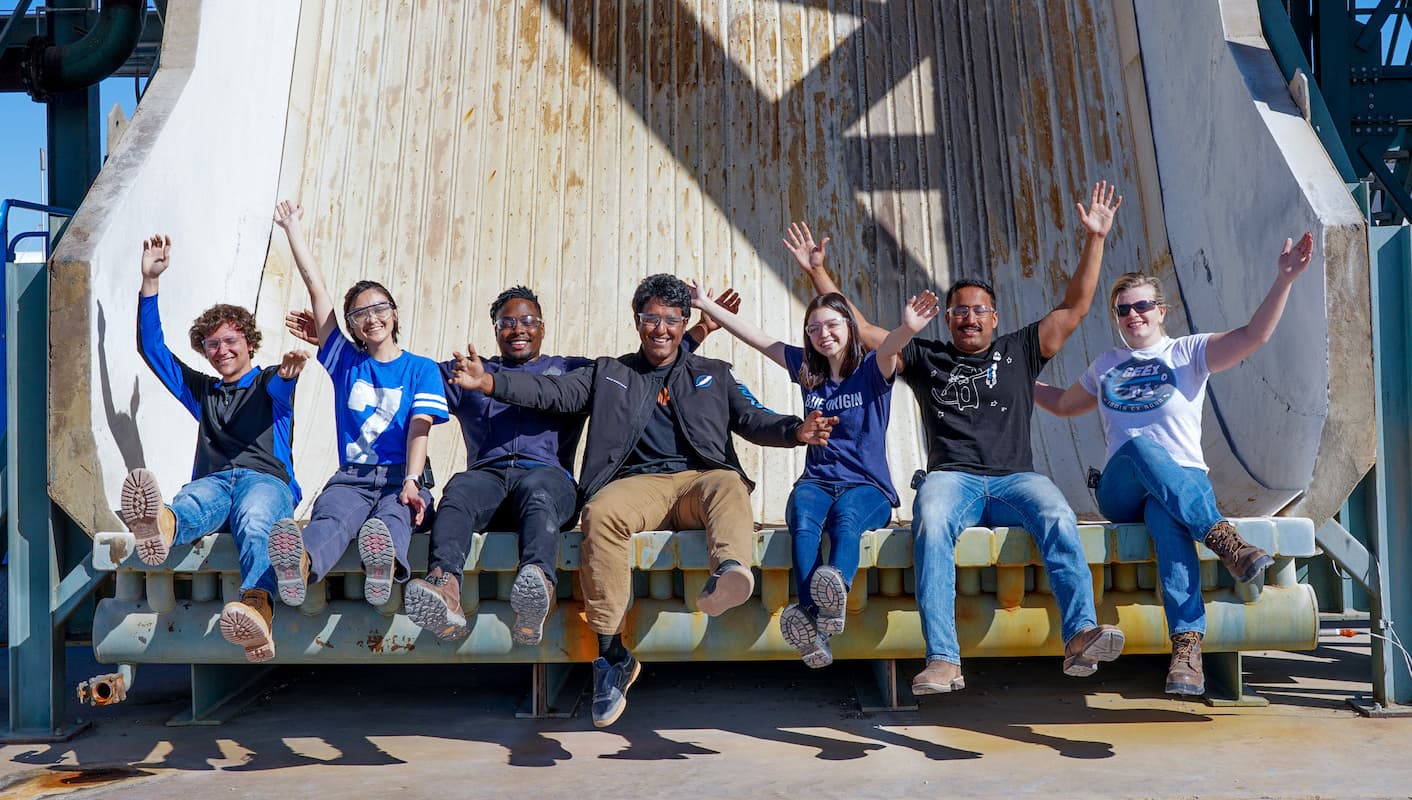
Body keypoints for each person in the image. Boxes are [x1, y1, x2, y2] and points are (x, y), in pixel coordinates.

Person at [448, 273, 837, 727]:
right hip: (638, 484)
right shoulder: (610, 373)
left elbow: (753, 417)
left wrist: (796, 431)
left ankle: (730, 574)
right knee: (601, 512)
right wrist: (492, 383)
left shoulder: (713, 374)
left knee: (729, 483)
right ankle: (612, 656)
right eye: (651, 318)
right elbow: (551, 392)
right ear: (637, 322)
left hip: (699, 480)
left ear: (684, 321)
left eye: (671, 320)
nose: (661, 329)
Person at [789, 180, 1125, 696]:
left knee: (1057, 513)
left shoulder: (1021, 350)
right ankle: (944, 659)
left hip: (1016, 479)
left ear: (995, 317)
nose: (969, 317)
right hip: (953, 478)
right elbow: (856, 328)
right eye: (959, 310)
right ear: (947, 319)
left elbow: (1075, 308)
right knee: (931, 517)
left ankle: (1080, 633)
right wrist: (816, 270)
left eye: (978, 310)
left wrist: (1096, 238)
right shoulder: (927, 358)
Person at [285, 286, 740, 642]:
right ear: (495, 330)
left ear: (543, 327)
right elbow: (398, 375)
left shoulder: (573, 370)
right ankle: (444, 587)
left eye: (528, 320)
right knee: (458, 492)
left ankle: (535, 586)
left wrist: (694, 332)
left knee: (541, 495)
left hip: (547, 480)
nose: (518, 328)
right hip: (487, 478)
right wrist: (348, 348)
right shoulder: (465, 371)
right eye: (507, 322)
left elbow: (644, 367)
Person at [1034, 232, 1314, 695]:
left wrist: (1284, 280)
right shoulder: (1107, 363)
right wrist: (1009, 378)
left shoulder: (1185, 353)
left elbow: (1253, 335)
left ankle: (1186, 651)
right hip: (1122, 488)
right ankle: (1224, 540)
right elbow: (1064, 404)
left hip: (1181, 484)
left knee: (1169, 522)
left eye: (1142, 306)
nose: (1133, 316)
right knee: (1142, 448)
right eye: (1123, 310)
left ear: (1161, 311)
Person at [688, 281, 937, 667]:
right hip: (817, 481)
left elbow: (890, 347)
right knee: (803, 519)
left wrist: (907, 328)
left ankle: (833, 592)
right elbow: (757, 338)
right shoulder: (808, 371)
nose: (824, 335)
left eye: (833, 325)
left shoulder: (872, 369)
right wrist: (705, 305)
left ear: (850, 327)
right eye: (814, 328)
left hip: (866, 486)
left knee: (846, 519)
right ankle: (812, 620)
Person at [120, 234, 309, 663]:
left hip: (265, 481)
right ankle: (158, 525)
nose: (222, 350)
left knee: (258, 520)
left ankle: (256, 607)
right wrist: (150, 283)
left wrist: (291, 371)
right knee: (190, 502)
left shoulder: (269, 385)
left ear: (248, 342)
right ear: (205, 352)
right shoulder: (203, 392)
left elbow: (283, 382)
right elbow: (152, 350)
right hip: (215, 483)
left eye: (230, 341)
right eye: (212, 345)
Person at [266, 201, 448, 609]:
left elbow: (420, 426)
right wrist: (292, 228)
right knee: (331, 514)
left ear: (394, 313)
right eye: (359, 314)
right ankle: (299, 563)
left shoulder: (421, 369)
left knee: (395, 517)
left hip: (401, 476)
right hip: (353, 477)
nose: (372, 318)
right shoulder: (345, 361)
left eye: (379, 308)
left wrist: (412, 481)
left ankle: (381, 565)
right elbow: (318, 290)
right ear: (350, 326)